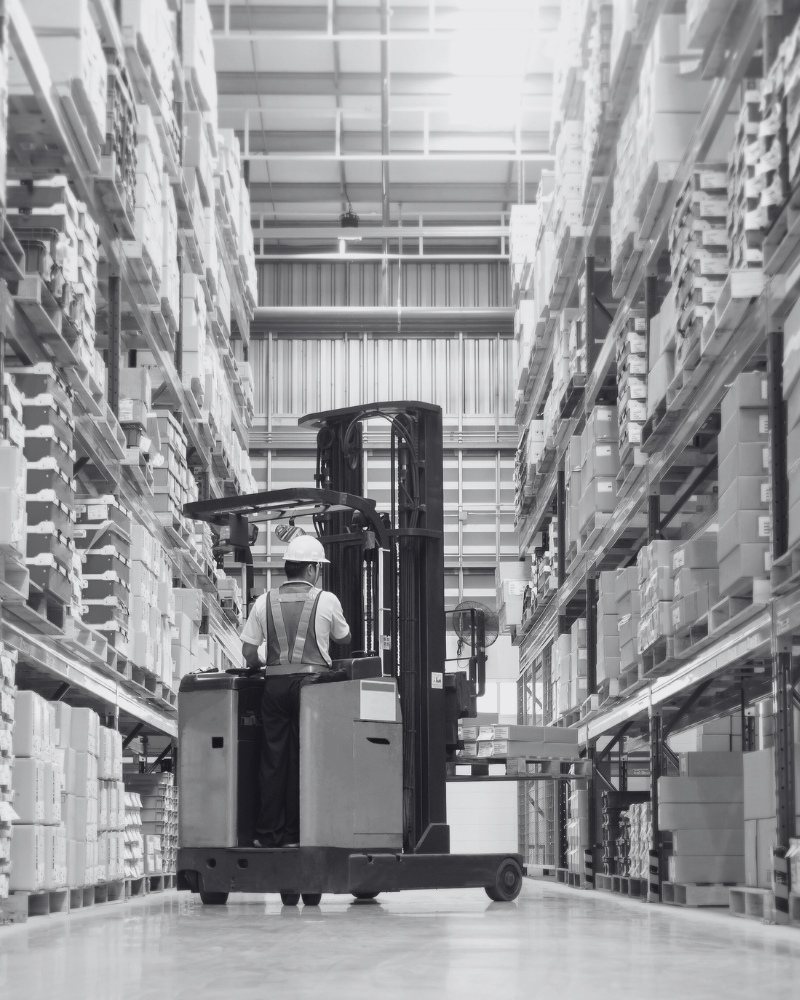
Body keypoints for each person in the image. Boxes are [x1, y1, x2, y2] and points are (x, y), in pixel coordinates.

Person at [240, 535, 351, 848]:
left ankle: (268, 834)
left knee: (273, 759)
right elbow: (344, 637)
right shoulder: (326, 600)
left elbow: (248, 652)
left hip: (273, 687)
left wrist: (267, 659)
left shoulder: (263, 602)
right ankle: (299, 833)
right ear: (313, 569)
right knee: (307, 759)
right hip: (313, 690)